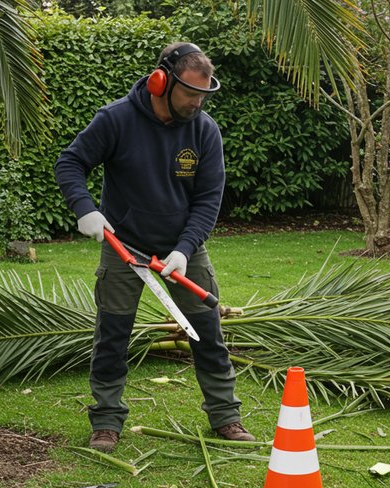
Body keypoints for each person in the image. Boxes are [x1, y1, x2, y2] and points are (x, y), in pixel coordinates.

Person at [54, 42, 254, 453]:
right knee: (113, 334)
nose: (197, 102)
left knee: (207, 330)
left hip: (183, 249)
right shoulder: (116, 119)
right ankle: (106, 421)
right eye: (190, 93)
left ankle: (225, 415)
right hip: (123, 245)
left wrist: (184, 249)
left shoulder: (204, 130)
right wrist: (85, 209)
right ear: (161, 81)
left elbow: (208, 199)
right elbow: (70, 163)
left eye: (203, 95)